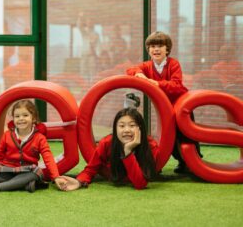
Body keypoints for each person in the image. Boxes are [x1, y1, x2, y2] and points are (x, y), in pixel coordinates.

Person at [125, 31, 201, 174]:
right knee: (168, 138)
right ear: (148, 50)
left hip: (180, 107)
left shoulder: (173, 64)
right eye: (152, 46)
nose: (156, 49)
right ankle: (175, 160)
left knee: (186, 135)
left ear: (167, 49)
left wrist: (157, 83)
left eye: (160, 46)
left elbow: (177, 85)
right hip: (164, 110)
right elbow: (130, 69)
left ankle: (193, 162)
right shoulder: (147, 66)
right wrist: (138, 73)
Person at [0, 99, 66, 193]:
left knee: (36, 172)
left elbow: (48, 158)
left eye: (25, 115)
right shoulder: (7, 135)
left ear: (34, 118)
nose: (21, 118)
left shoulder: (40, 138)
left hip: (27, 171)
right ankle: (25, 184)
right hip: (8, 170)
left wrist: (56, 177)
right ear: (13, 119)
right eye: (17, 116)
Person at [61, 108, 158, 191]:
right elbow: (90, 170)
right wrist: (78, 182)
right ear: (115, 129)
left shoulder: (150, 146)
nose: (127, 130)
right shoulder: (106, 143)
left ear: (140, 128)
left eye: (132, 125)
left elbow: (140, 184)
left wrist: (128, 151)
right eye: (122, 126)